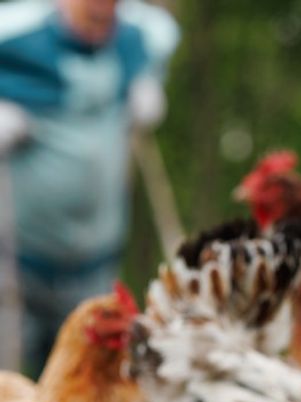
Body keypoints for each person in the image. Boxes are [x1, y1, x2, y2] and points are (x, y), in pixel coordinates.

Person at [0, 0, 179, 375]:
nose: (103, 11)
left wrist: (150, 79)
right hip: (17, 269)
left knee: (89, 389)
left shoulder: (139, 37)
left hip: (94, 266)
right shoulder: (14, 35)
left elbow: (165, 31)